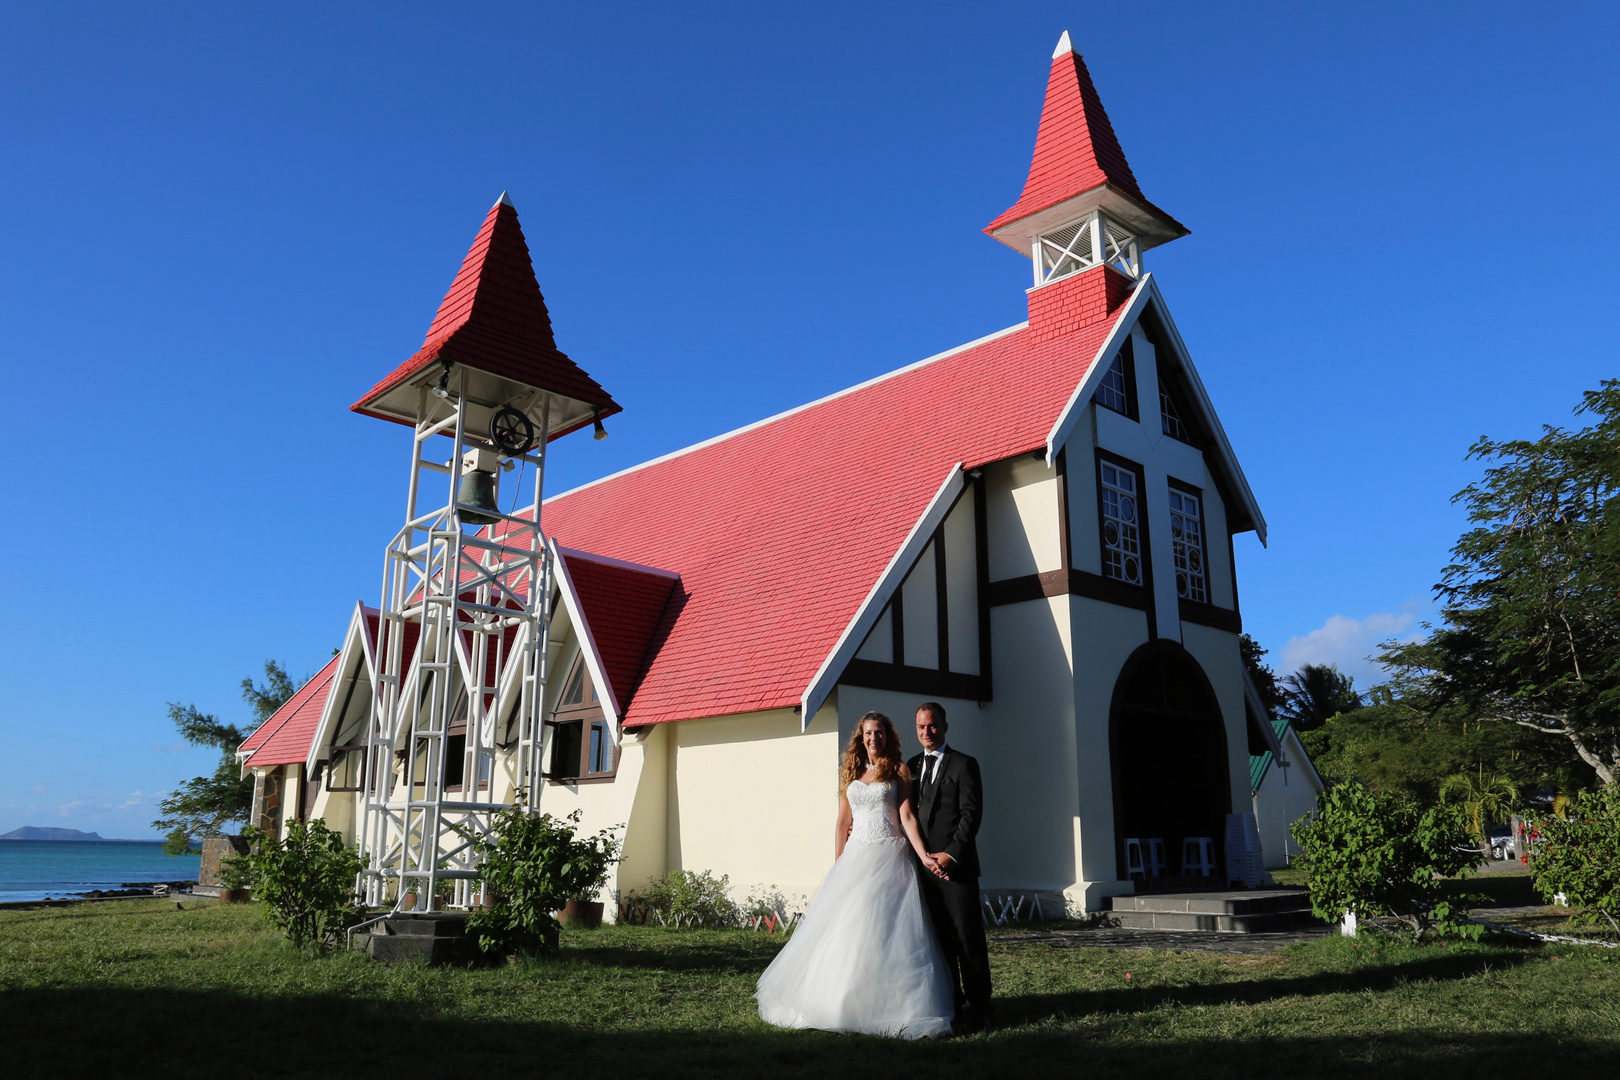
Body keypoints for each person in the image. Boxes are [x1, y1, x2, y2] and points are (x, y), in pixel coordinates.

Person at [755, 711, 954, 1038]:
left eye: (879, 733)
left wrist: (924, 856)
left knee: (889, 930)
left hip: (891, 856)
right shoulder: (852, 772)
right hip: (857, 857)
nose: (873, 739)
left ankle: (891, 1005)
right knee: (850, 927)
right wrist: (839, 866)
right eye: (868, 734)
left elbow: (906, 816)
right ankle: (839, 1001)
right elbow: (841, 824)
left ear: (887, 736)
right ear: (860, 738)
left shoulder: (900, 771)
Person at [907, 701, 993, 1033]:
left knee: (967, 939)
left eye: (932, 726)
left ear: (944, 726)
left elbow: (971, 814)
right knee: (939, 941)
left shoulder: (964, 764)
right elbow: (904, 813)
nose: (926, 732)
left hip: (956, 870)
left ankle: (981, 1007)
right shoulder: (911, 766)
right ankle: (952, 1004)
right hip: (924, 870)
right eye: (920, 727)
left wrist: (950, 855)